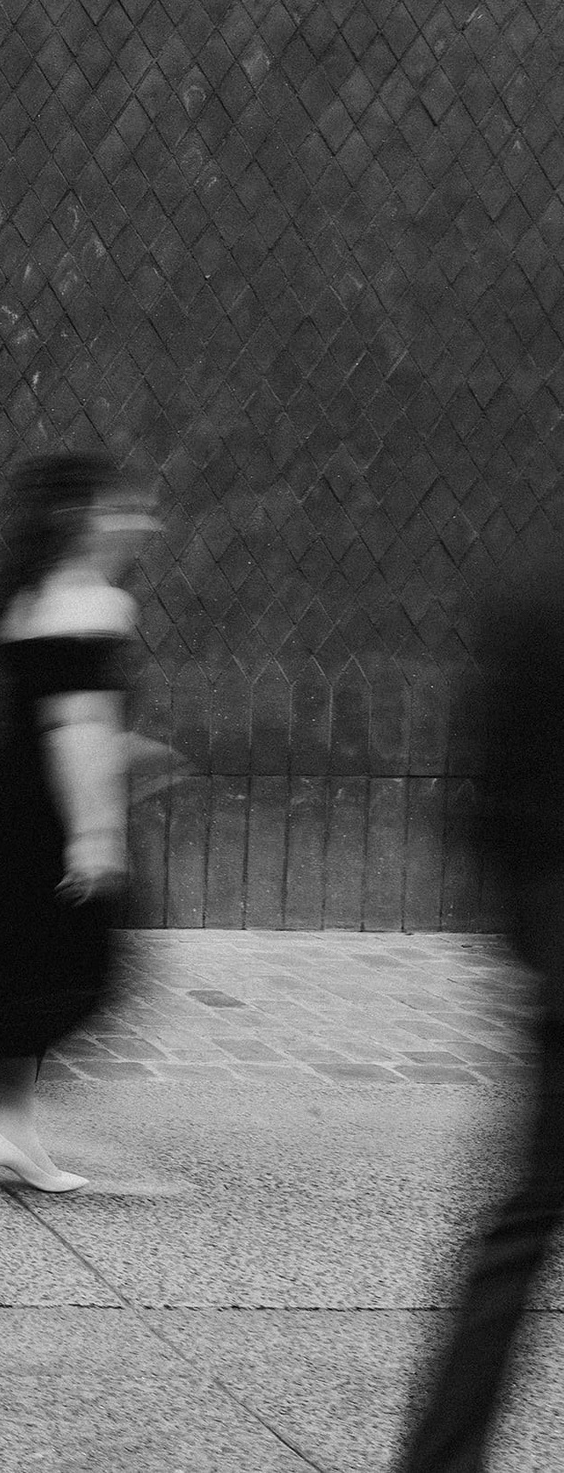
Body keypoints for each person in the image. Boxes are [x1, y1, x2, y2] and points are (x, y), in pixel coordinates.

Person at [397, 547, 564, 1472]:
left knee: (521, 1227)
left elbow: (487, 800)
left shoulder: (531, 598)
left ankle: (439, 1455)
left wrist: (528, 939)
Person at [0, 452, 160, 1194]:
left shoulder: (25, 595)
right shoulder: (93, 603)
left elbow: (41, 714)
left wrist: (124, 751)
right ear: (80, 519)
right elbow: (74, 724)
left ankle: (13, 1134)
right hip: (52, 807)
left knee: (22, 966)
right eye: (124, 507)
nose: (142, 523)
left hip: (5, 795)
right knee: (93, 972)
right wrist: (95, 835)